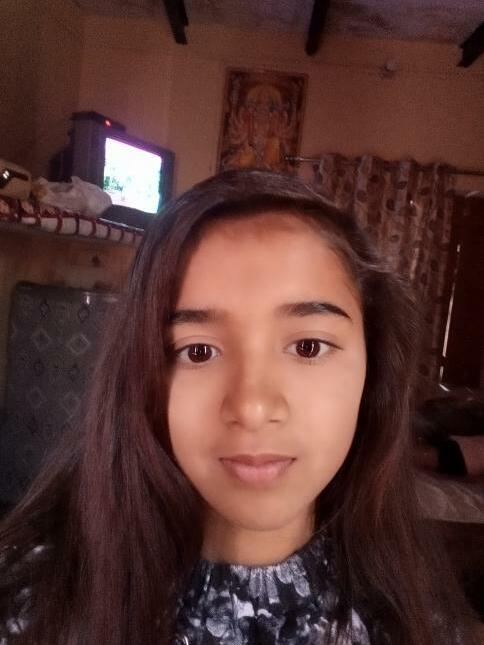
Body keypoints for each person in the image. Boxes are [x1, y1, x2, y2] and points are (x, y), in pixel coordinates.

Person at [0, 170, 480, 645]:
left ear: (372, 371)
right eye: (198, 351)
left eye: (309, 347)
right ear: (140, 379)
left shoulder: (420, 618)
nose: (252, 408)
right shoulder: (34, 606)